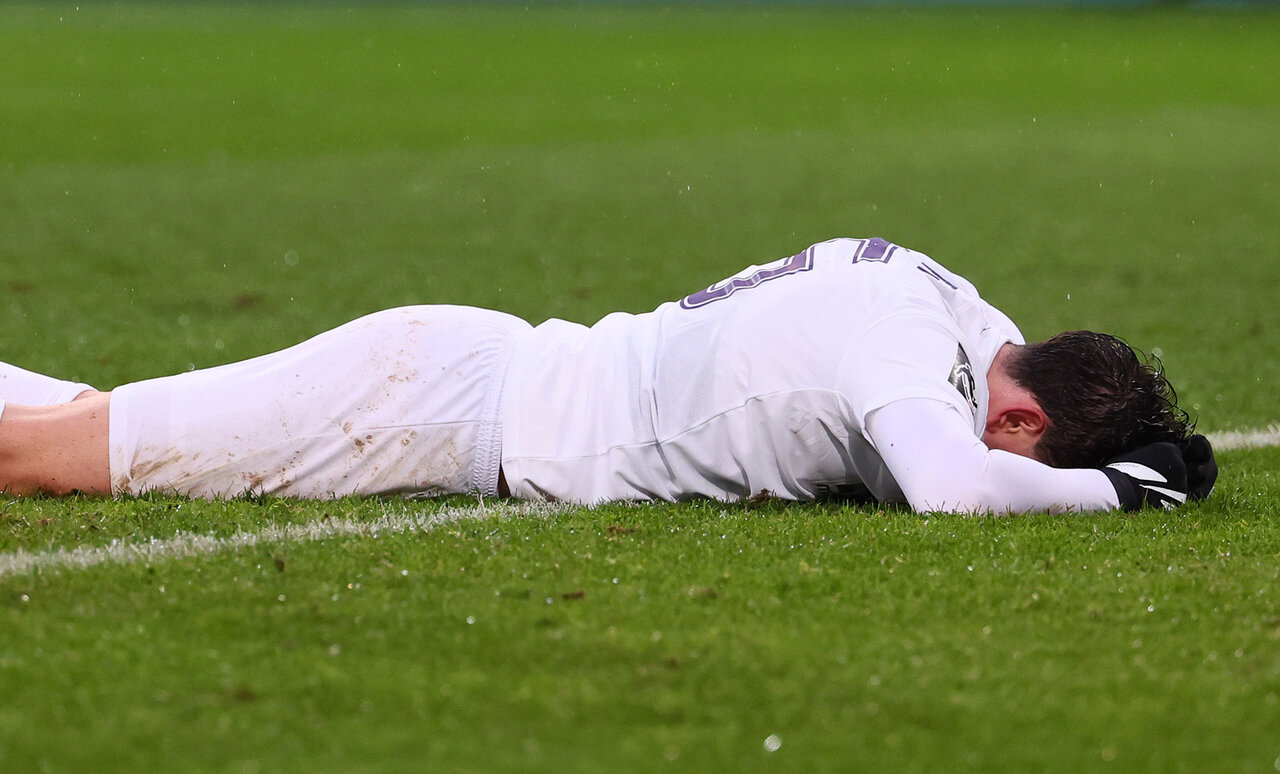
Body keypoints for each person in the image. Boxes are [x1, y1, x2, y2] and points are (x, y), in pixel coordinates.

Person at [0, 237, 1216, 513]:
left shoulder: (960, 309)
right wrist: (1122, 489)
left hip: (466, 370)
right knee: (42, 459)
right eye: (1028, 447)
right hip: (432, 409)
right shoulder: (907, 358)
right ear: (1018, 416)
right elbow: (955, 490)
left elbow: (965, 446)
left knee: (79, 416)